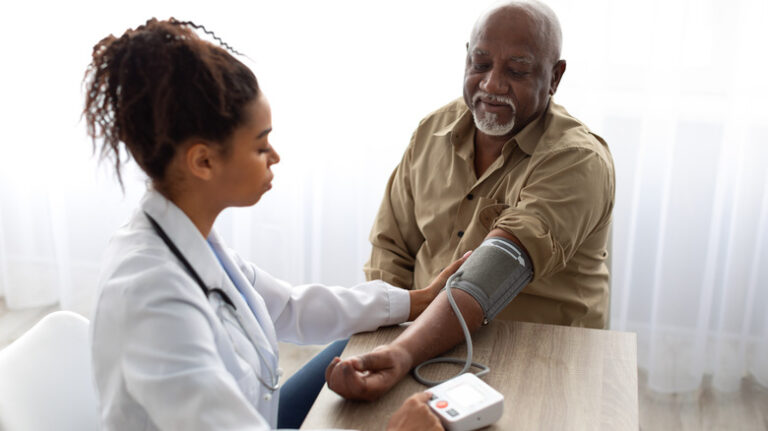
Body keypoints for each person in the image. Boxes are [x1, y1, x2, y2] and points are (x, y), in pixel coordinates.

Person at [83, 18, 466, 431]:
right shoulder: (152, 300)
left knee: (366, 342)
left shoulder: (192, 238)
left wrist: (417, 301)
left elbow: (289, 306)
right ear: (203, 161)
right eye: (261, 145)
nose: (275, 157)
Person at [326, 0, 615, 401]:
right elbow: (391, 247)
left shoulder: (577, 159)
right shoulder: (432, 130)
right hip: (411, 336)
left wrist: (401, 352)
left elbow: (495, 270)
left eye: (516, 70)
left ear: (555, 77)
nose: (492, 84)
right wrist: (386, 336)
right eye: (480, 64)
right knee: (292, 412)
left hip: (535, 358)